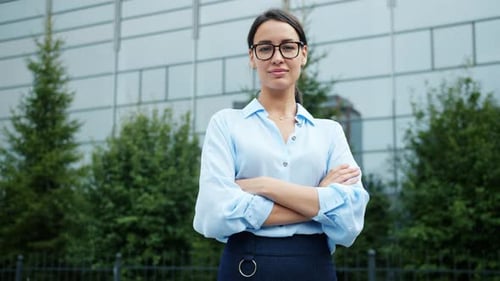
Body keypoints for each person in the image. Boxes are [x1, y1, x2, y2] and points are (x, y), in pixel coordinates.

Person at [193, 8, 369, 281]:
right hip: (245, 267)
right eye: (265, 48)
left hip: (315, 269)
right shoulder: (226, 124)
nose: (277, 57)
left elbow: (350, 219)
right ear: (252, 57)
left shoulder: (330, 132)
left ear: (303, 54)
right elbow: (212, 214)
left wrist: (265, 186)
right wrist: (317, 199)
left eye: (288, 47)